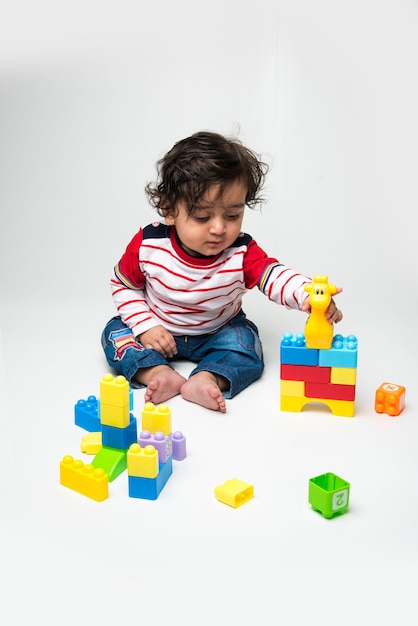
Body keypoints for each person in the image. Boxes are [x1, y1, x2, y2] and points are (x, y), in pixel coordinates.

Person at [101, 131, 343, 413]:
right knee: (115, 333)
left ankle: (208, 376)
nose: (218, 228)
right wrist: (145, 327)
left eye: (232, 215)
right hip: (158, 330)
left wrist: (309, 294)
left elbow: (274, 275)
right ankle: (155, 373)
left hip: (218, 331)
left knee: (247, 345)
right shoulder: (149, 245)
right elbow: (123, 285)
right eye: (202, 216)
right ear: (169, 209)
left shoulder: (241, 251)